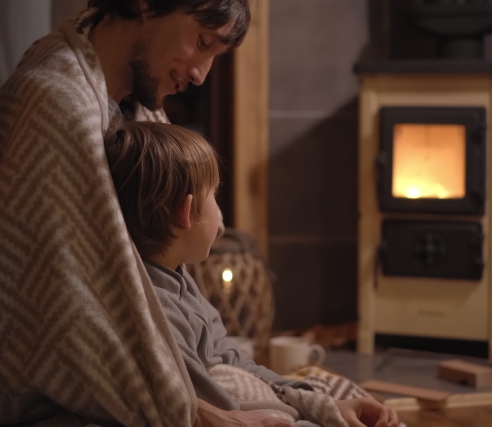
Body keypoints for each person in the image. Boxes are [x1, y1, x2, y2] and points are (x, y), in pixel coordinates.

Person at [0, 0, 306, 426]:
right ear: (147, 3)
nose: (199, 74)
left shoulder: (134, 107)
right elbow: (65, 306)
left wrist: (286, 393)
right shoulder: (56, 101)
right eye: (201, 42)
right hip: (22, 378)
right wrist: (195, 414)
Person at [104, 121, 400, 427]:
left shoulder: (181, 280)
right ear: (185, 212)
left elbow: (231, 358)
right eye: (214, 196)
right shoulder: (159, 312)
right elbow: (215, 405)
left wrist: (327, 406)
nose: (219, 214)